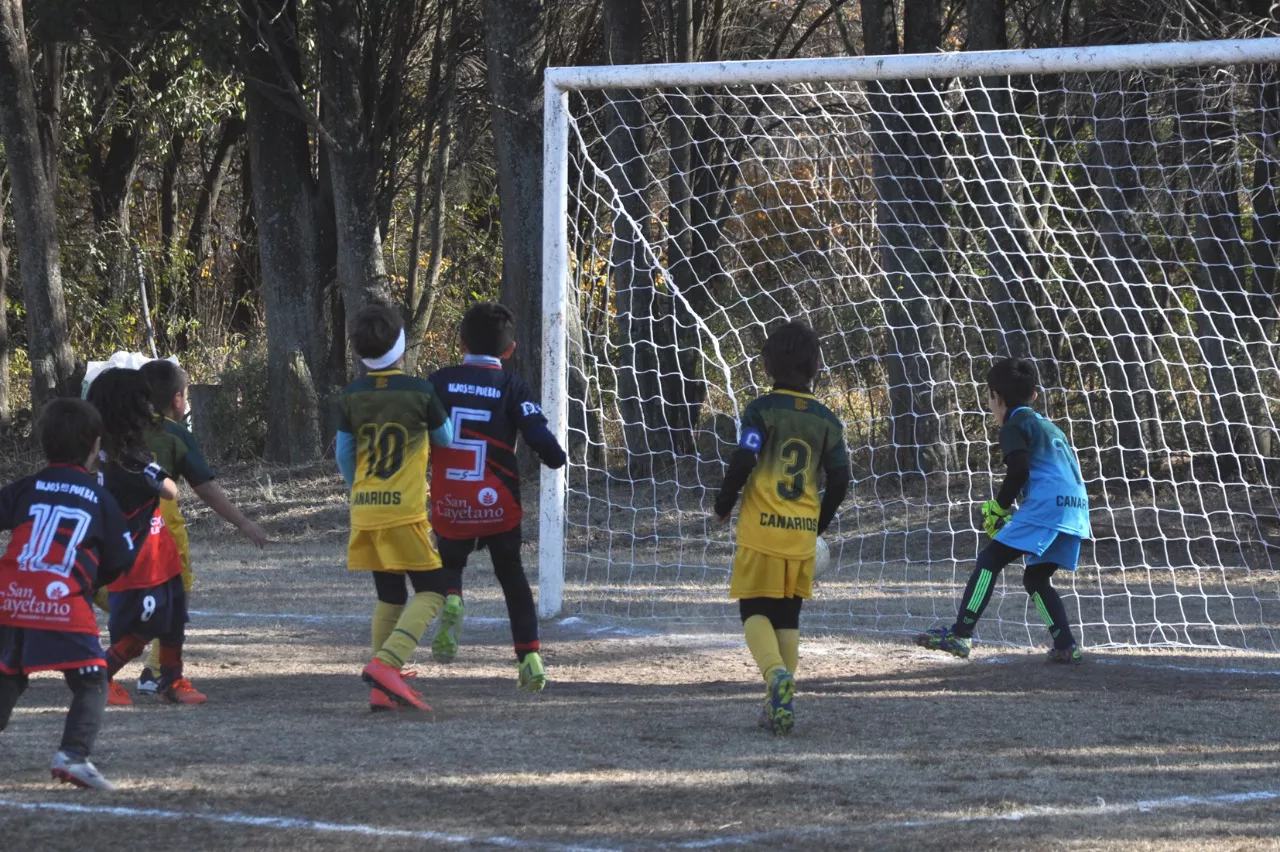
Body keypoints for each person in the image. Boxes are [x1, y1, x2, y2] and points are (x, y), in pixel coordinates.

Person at [713, 321, 850, 735]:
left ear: (768, 365)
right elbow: (841, 480)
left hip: (761, 532)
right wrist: (816, 526)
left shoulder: (762, 410)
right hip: (799, 535)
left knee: (754, 610)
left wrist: (722, 505)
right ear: (815, 367)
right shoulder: (827, 420)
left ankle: (775, 676)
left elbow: (743, 460)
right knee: (788, 618)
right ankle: (776, 707)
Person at [427, 302, 567, 692]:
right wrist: (555, 457)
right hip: (497, 501)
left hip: (451, 499)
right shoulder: (512, 385)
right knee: (512, 577)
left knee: (449, 564)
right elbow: (538, 436)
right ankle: (529, 657)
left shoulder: (438, 381)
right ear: (510, 350)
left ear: (460, 342)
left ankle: (453, 598)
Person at [0, 399, 138, 790]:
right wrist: (91, 582)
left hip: (9, 596)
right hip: (61, 598)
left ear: (43, 444)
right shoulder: (99, 498)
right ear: (96, 446)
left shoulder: (28, 487)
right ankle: (72, 755)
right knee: (92, 679)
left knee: (8, 677)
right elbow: (120, 557)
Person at [915, 357, 1091, 663]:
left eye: (989, 398)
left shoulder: (1015, 423)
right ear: (1034, 395)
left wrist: (999, 507)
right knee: (1035, 578)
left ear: (995, 397)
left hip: (1049, 507)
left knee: (990, 559)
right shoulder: (1050, 427)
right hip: (1076, 508)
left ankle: (960, 635)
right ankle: (1066, 645)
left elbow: (1020, 470)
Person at [336, 303, 454, 711]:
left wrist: (360, 490)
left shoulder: (350, 396)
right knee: (434, 590)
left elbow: (343, 453)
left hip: (365, 509)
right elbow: (446, 439)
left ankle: (380, 688)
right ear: (401, 346)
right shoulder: (421, 391)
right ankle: (386, 664)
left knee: (389, 594)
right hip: (404, 510)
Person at [132, 359, 267, 695]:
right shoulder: (175, 433)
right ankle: (156, 669)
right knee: (176, 587)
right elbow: (204, 486)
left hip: (115, 513)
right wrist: (243, 522)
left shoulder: (122, 426)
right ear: (178, 399)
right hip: (159, 516)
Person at [88, 368, 207, 706]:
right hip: (134, 553)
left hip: (159, 549)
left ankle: (172, 678)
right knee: (147, 621)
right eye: (143, 401)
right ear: (131, 407)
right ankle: (101, 675)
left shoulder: (111, 450)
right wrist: (156, 475)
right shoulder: (124, 457)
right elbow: (168, 489)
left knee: (172, 619)